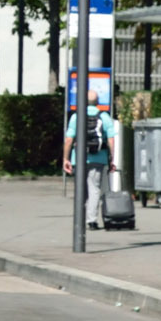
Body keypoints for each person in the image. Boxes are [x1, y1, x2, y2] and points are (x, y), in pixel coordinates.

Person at [63, 92, 110, 225]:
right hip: (99, 158)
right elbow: (111, 139)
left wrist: (66, 159)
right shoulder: (104, 116)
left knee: (80, 188)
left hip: (78, 157)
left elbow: (69, 139)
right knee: (94, 188)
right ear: (98, 101)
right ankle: (92, 220)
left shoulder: (76, 117)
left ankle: (79, 219)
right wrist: (111, 159)